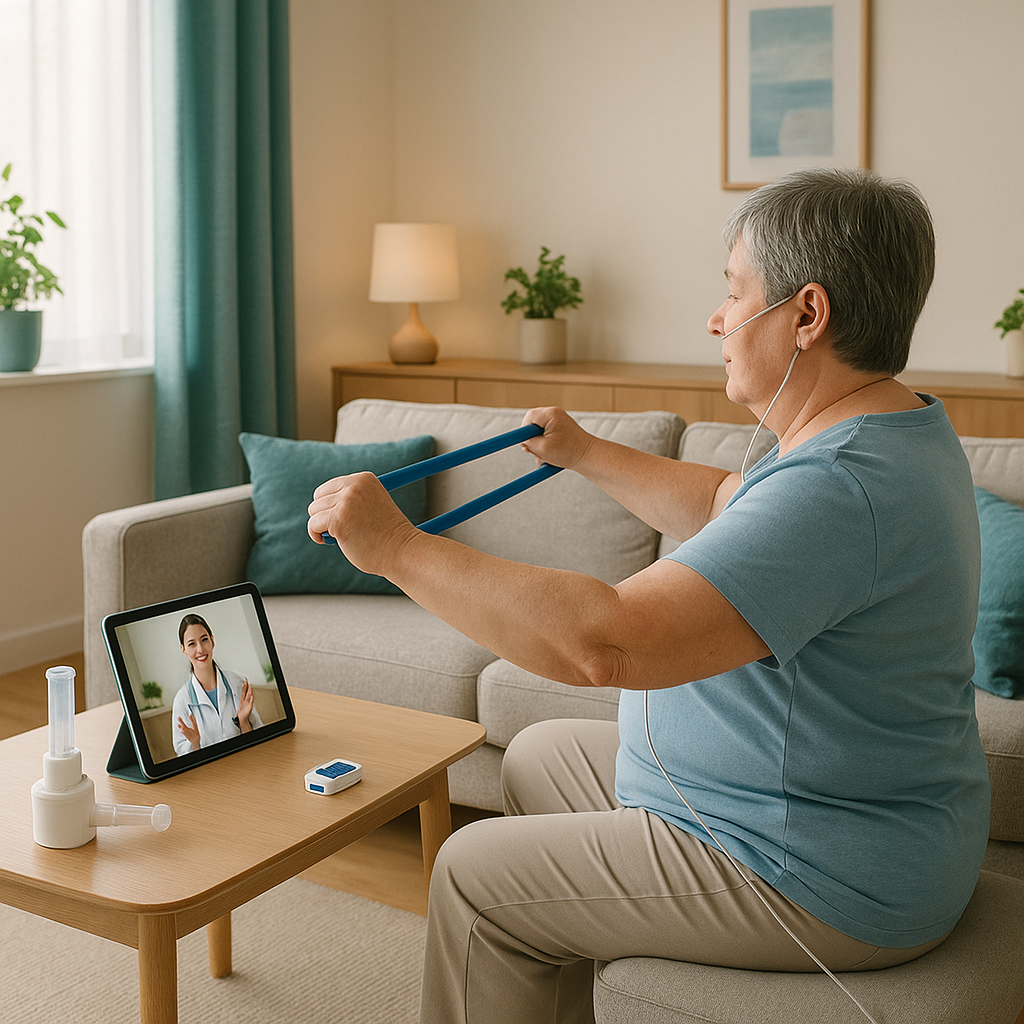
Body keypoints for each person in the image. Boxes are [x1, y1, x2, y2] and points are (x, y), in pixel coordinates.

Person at [306, 168, 990, 1024]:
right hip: (818, 813)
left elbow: (607, 643)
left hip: (816, 866)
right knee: (538, 755)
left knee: (473, 875)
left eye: (734, 292)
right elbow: (723, 501)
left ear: (807, 315)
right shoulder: (887, 428)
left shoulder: (840, 487)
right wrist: (584, 451)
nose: (716, 318)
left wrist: (398, 549)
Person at [171, 613, 263, 755]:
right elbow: (183, 757)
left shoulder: (238, 683)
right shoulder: (182, 700)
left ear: (212, 641)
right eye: (191, 644)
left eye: (204, 640)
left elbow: (259, 740)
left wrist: (243, 722)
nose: (200, 649)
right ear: (183, 649)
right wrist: (194, 744)